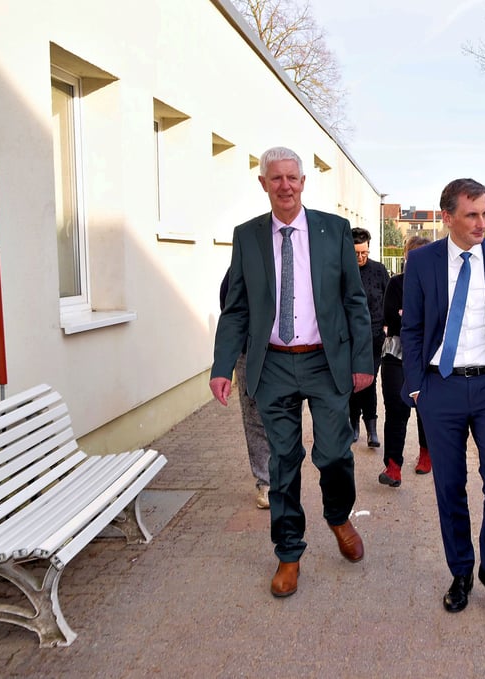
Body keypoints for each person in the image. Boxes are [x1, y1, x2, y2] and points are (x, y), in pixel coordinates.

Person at [210, 146, 374, 599]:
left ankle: (339, 517)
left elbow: (354, 302)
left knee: (335, 453)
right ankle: (288, 552)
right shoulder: (247, 237)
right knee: (282, 462)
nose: (285, 185)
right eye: (276, 178)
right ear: (263, 183)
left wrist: (363, 362)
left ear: (303, 182)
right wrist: (223, 365)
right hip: (274, 365)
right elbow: (236, 308)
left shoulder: (333, 230)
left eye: (293, 177)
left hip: (325, 362)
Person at [400, 178, 485, 616]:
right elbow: (413, 328)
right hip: (442, 388)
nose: (482, 223)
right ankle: (460, 571)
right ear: (448, 217)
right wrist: (417, 386)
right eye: (472, 214)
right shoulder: (421, 262)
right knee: (449, 486)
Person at [378, 235, 432, 487]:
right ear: (406, 257)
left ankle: (425, 454)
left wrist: (406, 316)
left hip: (427, 358)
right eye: (415, 255)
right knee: (396, 409)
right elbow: (390, 317)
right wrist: (415, 318)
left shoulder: (437, 284)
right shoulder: (396, 283)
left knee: (426, 409)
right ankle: (393, 466)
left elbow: (437, 322)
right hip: (396, 355)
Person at [220, 269, 271, 509]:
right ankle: (266, 482)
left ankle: (284, 476)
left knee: (284, 414)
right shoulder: (239, 268)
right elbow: (229, 310)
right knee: (254, 416)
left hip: (284, 354)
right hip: (248, 352)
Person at [349, 227, 390, 447]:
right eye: (356, 253)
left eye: (364, 253)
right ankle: (353, 424)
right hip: (350, 339)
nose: (360, 257)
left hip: (375, 338)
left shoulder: (379, 270)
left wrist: (386, 326)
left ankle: (371, 428)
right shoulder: (343, 271)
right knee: (353, 383)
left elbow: (389, 299)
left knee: (369, 382)